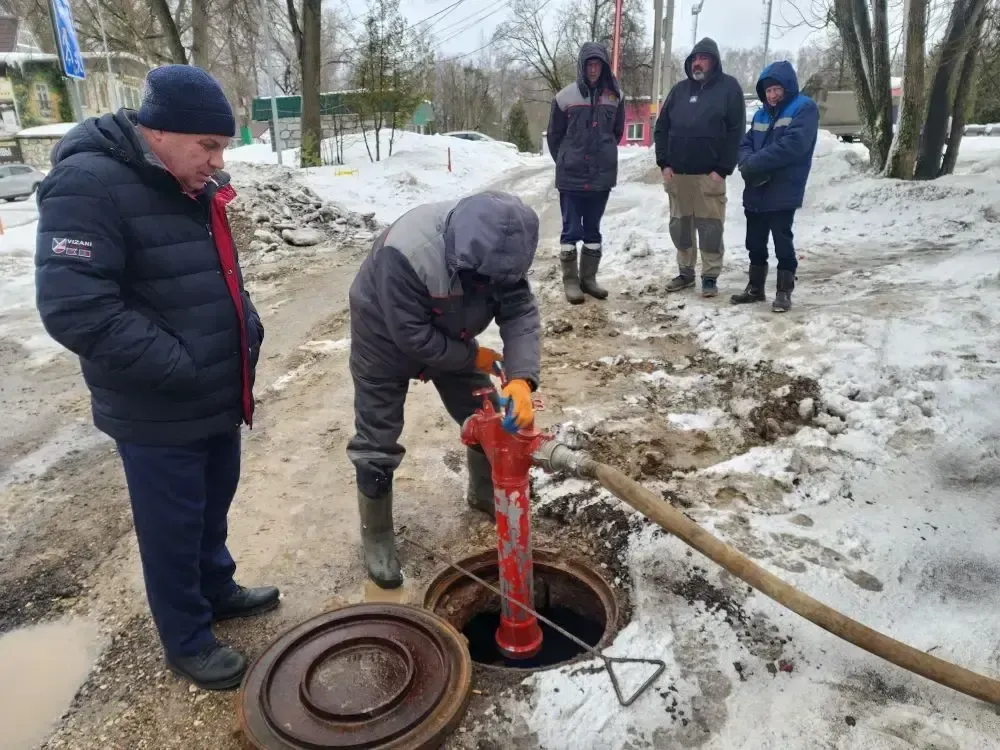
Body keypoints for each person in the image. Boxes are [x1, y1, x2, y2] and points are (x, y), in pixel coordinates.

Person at [34, 65, 277, 691]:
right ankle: (187, 639)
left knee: (212, 506)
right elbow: (75, 308)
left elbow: (213, 272)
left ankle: (216, 589)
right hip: (157, 405)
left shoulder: (189, 183)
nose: (219, 161)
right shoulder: (88, 184)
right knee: (172, 527)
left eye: (222, 147)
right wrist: (179, 364)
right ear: (160, 131)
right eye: (209, 145)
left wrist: (245, 327)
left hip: (214, 391)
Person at [347, 191, 541, 589]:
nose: (489, 286)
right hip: (383, 340)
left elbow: (520, 313)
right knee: (377, 440)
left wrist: (522, 378)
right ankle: (377, 535)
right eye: (481, 279)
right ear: (460, 252)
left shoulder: (503, 258)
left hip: (453, 334)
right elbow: (413, 337)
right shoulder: (405, 253)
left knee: (487, 414)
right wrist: (473, 356)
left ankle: (484, 493)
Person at [653, 38, 745, 298]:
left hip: (709, 175)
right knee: (680, 227)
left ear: (714, 61)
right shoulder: (679, 91)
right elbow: (662, 128)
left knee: (710, 228)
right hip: (678, 175)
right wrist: (664, 163)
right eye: (694, 58)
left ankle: (710, 276)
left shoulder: (729, 89)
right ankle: (685, 273)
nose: (697, 63)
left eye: (703, 58)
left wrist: (722, 169)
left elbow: (736, 132)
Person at [734, 60, 819, 312]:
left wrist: (754, 162)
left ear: (787, 87)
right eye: (768, 90)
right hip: (756, 187)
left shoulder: (803, 108)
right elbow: (745, 143)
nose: (772, 95)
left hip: (784, 187)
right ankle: (755, 287)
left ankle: (784, 291)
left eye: (776, 89)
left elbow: (793, 145)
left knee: (782, 240)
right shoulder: (761, 114)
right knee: (754, 240)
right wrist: (746, 161)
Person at [547, 41, 625, 305]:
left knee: (593, 229)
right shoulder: (564, 97)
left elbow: (616, 132)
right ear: (582, 66)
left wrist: (602, 155)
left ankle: (588, 279)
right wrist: (567, 159)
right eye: (589, 64)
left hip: (601, 177)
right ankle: (571, 281)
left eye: (598, 65)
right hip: (571, 176)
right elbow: (555, 136)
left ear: (604, 67)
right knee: (570, 229)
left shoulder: (616, 97)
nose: (593, 70)